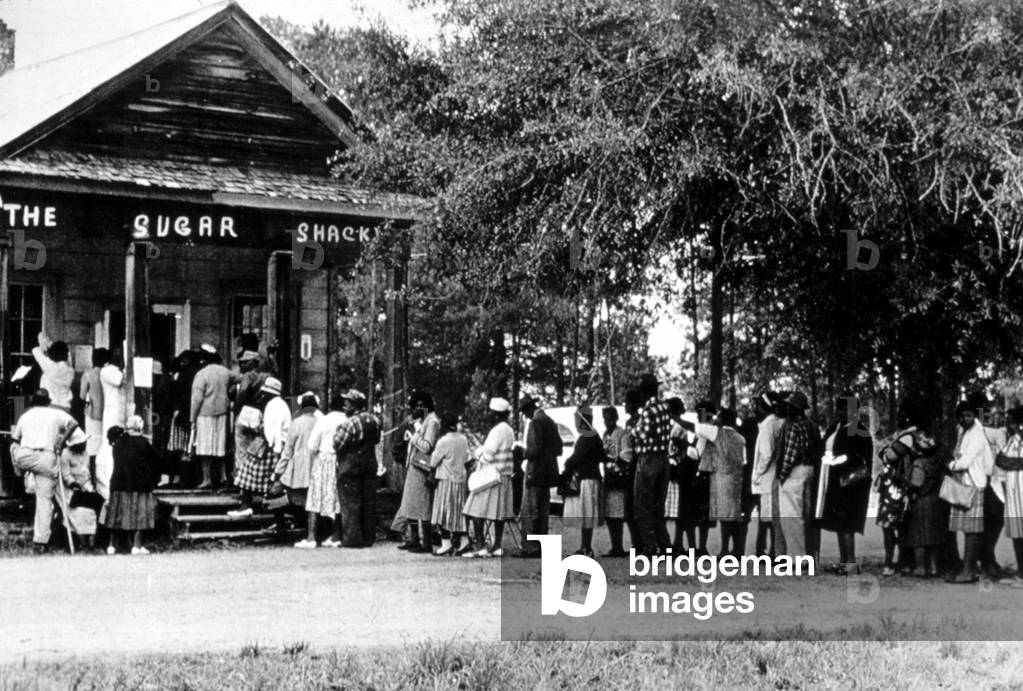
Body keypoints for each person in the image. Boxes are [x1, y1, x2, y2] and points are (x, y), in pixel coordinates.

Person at [9, 389, 79, 553]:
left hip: (25, 457)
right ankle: (41, 542)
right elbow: (74, 424)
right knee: (44, 501)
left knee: (13, 447)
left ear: (33, 401)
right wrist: (61, 442)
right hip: (46, 459)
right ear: (48, 401)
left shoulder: (25, 416)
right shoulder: (56, 413)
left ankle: (20, 476)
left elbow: (15, 438)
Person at [678, 406, 747, 557]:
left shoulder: (716, 432)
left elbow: (691, 426)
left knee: (724, 516)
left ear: (722, 419)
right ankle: (737, 549)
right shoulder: (740, 438)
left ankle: (724, 551)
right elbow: (743, 461)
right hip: (736, 477)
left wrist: (675, 417)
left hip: (721, 476)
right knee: (733, 515)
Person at [818, 394, 874, 574]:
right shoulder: (835, 427)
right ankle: (844, 561)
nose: (842, 412)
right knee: (839, 521)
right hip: (835, 480)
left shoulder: (859, 431)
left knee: (848, 522)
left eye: (847, 409)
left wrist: (839, 461)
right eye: (840, 408)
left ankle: (850, 562)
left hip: (852, 483)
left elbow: (860, 459)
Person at [946, 401, 995, 583]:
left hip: (974, 484)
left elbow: (965, 462)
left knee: (972, 531)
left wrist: (951, 465)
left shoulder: (977, 435)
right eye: (962, 416)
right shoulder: (962, 431)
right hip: (962, 485)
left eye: (968, 415)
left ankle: (969, 570)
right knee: (965, 530)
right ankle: (966, 568)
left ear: (974, 415)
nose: (965, 419)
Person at [463, 397, 517, 558]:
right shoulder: (509, 430)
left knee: (476, 509)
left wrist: (478, 455)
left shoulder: (496, 431)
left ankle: (480, 545)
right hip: (505, 475)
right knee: (499, 512)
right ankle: (497, 545)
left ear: (495, 415)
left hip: (491, 476)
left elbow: (489, 454)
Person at [229, 377, 290, 516]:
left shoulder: (273, 406)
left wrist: (274, 451)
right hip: (273, 444)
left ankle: (246, 505)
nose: (262, 395)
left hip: (270, 445)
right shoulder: (281, 404)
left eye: (265, 393)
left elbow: (272, 431)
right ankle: (254, 505)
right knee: (265, 477)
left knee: (247, 471)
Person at [896, 403, 943, 578]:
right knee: (933, 538)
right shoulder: (935, 462)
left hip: (921, 501)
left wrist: (903, 481)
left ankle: (921, 567)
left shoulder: (919, 464)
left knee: (920, 538)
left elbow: (917, 483)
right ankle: (934, 567)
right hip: (934, 500)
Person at [333, 389, 382, 548]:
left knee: (350, 503)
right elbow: (376, 439)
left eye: (347, 403)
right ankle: (368, 537)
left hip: (351, 467)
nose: (344, 406)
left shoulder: (351, 422)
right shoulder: (374, 420)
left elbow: (337, 444)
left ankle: (352, 539)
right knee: (368, 502)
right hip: (369, 466)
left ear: (354, 405)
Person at [297, 395, 347, 548]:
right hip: (340, 461)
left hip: (322, 459)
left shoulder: (323, 420)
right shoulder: (347, 420)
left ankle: (311, 537)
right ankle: (335, 536)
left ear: (330, 405)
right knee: (337, 498)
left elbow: (312, 445)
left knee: (315, 497)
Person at [394, 391, 441, 553]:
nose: (419, 408)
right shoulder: (425, 420)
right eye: (417, 405)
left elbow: (427, 446)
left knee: (423, 505)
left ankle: (426, 542)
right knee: (411, 504)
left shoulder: (432, 421)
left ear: (428, 405)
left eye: (423, 405)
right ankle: (413, 538)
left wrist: (414, 435)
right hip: (414, 467)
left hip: (423, 467)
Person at [104, 416, 159, 555]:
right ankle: (137, 545)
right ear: (140, 427)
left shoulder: (118, 443)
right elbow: (153, 464)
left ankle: (111, 545)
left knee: (116, 516)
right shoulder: (145, 443)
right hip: (140, 484)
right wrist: (154, 482)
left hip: (118, 483)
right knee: (141, 516)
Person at [775, 390, 820, 558]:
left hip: (795, 472)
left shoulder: (794, 426)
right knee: (806, 515)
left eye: (789, 406)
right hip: (810, 470)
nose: (786, 409)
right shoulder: (812, 425)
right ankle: (810, 554)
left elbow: (790, 456)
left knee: (791, 516)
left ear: (796, 408)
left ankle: (797, 557)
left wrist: (782, 476)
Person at [516, 394, 562, 558]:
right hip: (548, 473)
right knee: (543, 510)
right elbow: (559, 448)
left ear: (529, 409)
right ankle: (541, 545)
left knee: (530, 510)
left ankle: (530, 547)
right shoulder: (549, 421)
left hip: (535, 472)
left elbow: (534, 450)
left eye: (524, 411)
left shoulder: (536, 422)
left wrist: (522, 452)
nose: (524, 415)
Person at [632, 373, 673, 555]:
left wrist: (632, 430)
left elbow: (642, 434)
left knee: (643, 504)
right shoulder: (664, 406)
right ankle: (665, 545)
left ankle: (650, 547)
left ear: (643, 393)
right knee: (658, 505)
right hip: (664, 458)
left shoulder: (649, 410)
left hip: (648, 459)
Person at [269, 392, 322, 532]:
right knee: (312, 501)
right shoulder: (320, 423)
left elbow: (287, 452)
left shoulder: (296, 423)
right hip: (316, 468)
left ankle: (281, 524)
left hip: (297, 469)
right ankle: (306, 526)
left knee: (277, 494)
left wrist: (277, 472)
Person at [190, 346, 238, 489]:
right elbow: (238, 378)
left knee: (205, 448)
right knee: (220, 447)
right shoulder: (225, 372)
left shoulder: (201, 374)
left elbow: (197, 398)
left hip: (205, 414)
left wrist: (192, 418)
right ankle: (223, 476)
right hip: (222, 412)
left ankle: (207, 479)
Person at [561, 405, 606, 557]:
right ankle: (585, 546)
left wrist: (567, 465)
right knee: (587, 514)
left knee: (586, 514)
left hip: (588, 479)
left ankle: (586, 548)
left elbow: (576, 459)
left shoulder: (586, 438)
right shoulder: (595, 436)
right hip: (593, 478)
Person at [429, 413, 471, 556]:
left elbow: (433, 461)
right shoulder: (463, 439)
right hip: (460, 479)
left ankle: (445, 542)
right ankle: (464, 541)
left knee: (443, 511)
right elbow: (467, 457)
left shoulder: (443, 441)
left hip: (446, 480)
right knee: (459, 512)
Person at [751, 392, 784, 557]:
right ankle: (769, 550)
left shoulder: (767, 425)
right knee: (771, 516)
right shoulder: (779, 422)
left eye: (757, 405)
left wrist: (758, 473)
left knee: (767, 517)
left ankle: (768, 551)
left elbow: (766, 453)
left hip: (767, 476)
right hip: (776, 476)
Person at [601, 405, 633, 557]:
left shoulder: (621, 433)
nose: (607, 421)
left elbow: (627, 454)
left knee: (617, 513)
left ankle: (618, 546)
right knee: (609, 513)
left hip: (618, 475)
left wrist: (615, 463)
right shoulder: (605, 434)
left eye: (610, 418)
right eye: (605, 419)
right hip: (608, 476)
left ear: (615, 418)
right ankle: (615, 545)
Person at [996, 407, 1023, 587]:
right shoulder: (1013, 440)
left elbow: (1008, 461)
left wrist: (1013, 463)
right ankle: (1020, 572)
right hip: (1013, 493)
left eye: (1014, 422)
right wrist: (1017, 464)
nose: (1012, 425)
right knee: (1016, 532)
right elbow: (1000, 460)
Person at [166, 350, 201, 486]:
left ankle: (177, 478)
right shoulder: (197, 374)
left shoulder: (183, 375)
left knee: (177, 448)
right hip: (193, 415)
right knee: (189, 448)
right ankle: (189, 478)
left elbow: (178, 395)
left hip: (182, 414)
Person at [80, 347, 108, 467]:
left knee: (91, 446)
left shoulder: (87, 374)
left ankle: (92, 474)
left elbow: (82, 395)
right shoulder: (107, 374)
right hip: (106, 413)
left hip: (92, 413)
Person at [32, 333, 74, 411]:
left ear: (52, 354)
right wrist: (50, 344)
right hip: (66, 407)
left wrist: (42, 344)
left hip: (52, 406)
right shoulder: (70, 370)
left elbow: (35, 351)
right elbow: (68, 354)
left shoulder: (51, 367)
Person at [232, 350, 268, 416]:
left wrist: (235, 409)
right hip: (259, 410)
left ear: (252, 363)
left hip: (247, 411)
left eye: (245, 362)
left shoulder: (248, 376)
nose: (242, 365)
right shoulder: (264, 376)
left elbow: (242, 393)